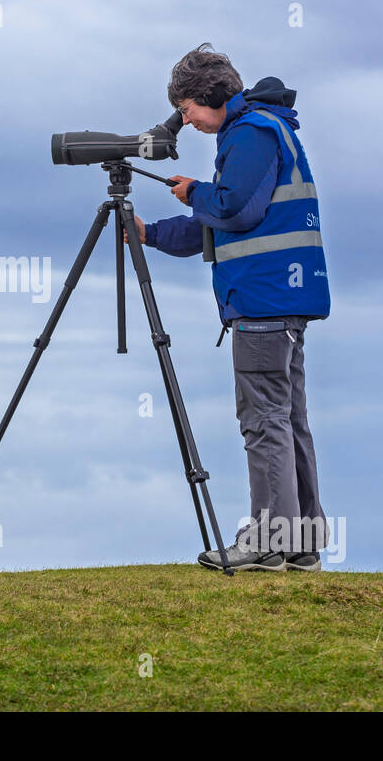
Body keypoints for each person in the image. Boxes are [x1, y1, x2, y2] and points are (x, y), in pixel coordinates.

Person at [132, 44, 331, 572]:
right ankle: (300, 542)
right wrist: (150, 234)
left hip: (262, 299)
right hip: (282, 297)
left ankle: (267, 540)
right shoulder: (269, 128)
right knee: (288, 420)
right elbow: (222, 220)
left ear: (207, 97)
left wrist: (196, 190)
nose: (186, 121)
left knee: (264, 420)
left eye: (187, 108)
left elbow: (231, 209)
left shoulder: (249, 133)